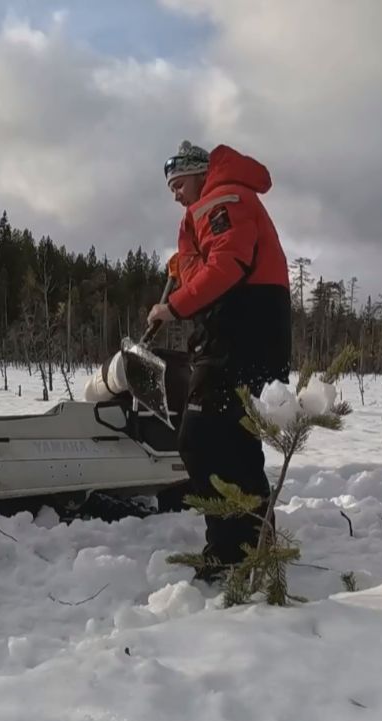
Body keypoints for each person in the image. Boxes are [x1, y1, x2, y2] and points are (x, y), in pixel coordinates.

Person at [148, 140, 292, 582]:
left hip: (239, 337)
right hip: (245, 337)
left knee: (202, 440)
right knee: (235, 441)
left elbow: (228, 266)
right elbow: (216, 266)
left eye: (179, 183)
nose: (175, 193)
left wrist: (172, 307)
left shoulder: (223, 198)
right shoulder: (211, 209)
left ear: (198, 175)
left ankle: (230, 549)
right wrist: (188, 260)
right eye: (170, 186)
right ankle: (251, 542)